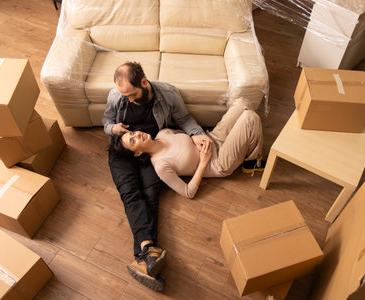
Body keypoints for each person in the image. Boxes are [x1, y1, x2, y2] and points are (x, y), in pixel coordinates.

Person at [103, 61, 209, 291]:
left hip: (150, 150)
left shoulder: (168, 94)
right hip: (122, 151)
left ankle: (144, 257)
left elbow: (184, 119)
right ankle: (147, 254)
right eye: (125, 96)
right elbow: (106, 122)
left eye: (131, 95)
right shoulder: (116, 95)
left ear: (143, 82)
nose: (128, 100)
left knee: (151, 195)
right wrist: (114, 129)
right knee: (130, 193)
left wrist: (197, 135)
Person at [109, 97, 264, 199]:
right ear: (137, 152)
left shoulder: (163, 132)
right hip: (219, 161)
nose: (137, 135)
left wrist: (193, 136)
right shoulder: (161, 166)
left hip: (214, 137)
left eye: (134, 133)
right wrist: (203, 163)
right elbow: (188, 192)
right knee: (249, 118)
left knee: (242, 102)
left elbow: (187, 136)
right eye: (133, 141)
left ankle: (248, 145)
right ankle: (252, 162)